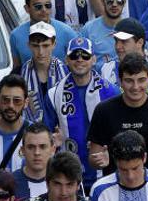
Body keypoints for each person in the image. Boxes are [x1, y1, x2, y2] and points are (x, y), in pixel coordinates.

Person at [46, 36, 120, 191]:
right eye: (74, 55)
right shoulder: (54, 94)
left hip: (105, 171)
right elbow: (46, 132)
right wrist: (52, 141)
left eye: (85, 55)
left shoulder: (111, 91)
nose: (79, 60)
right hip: (68, 175)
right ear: (66, 60)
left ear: (93, 59)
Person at [87, 55, 148, 175]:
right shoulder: (104, 111)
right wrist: (99, 161)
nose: (135, 87)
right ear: (120, 81)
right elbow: (93, 158)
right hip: (115, 184)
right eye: (129, 80)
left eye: (141, 80)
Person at [10, 0, 79, 67]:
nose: (44, 10)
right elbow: (17, 68)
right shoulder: (16, 36)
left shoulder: (67, 33)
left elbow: (79, 64)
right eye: (38, 6)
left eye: (47, 5)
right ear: (27, 8)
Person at [17, 152, 89, 201]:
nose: (63, 192)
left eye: (69, 184)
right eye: (57, 184)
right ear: (47, 184)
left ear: (78, 185)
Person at [21, 22, 70, 124]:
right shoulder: (19, 73)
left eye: (45, 45)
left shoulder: (67, 71)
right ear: (29, 45)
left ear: (54, 44)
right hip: (31, 133)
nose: (40, 52)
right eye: (35, 46)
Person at [79, 0, 127, 68]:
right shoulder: (88, 29)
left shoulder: (132, 29)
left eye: (119, 1)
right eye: (110, 1)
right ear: (102, 1)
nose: (115, 5)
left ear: (124, 2)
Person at [12, 123, 55, 201]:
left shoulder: (65, 182)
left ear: (53, 149)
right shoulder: (10, 183)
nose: (37, 152)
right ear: (22, 150)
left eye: (42, 147)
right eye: (31, 147)